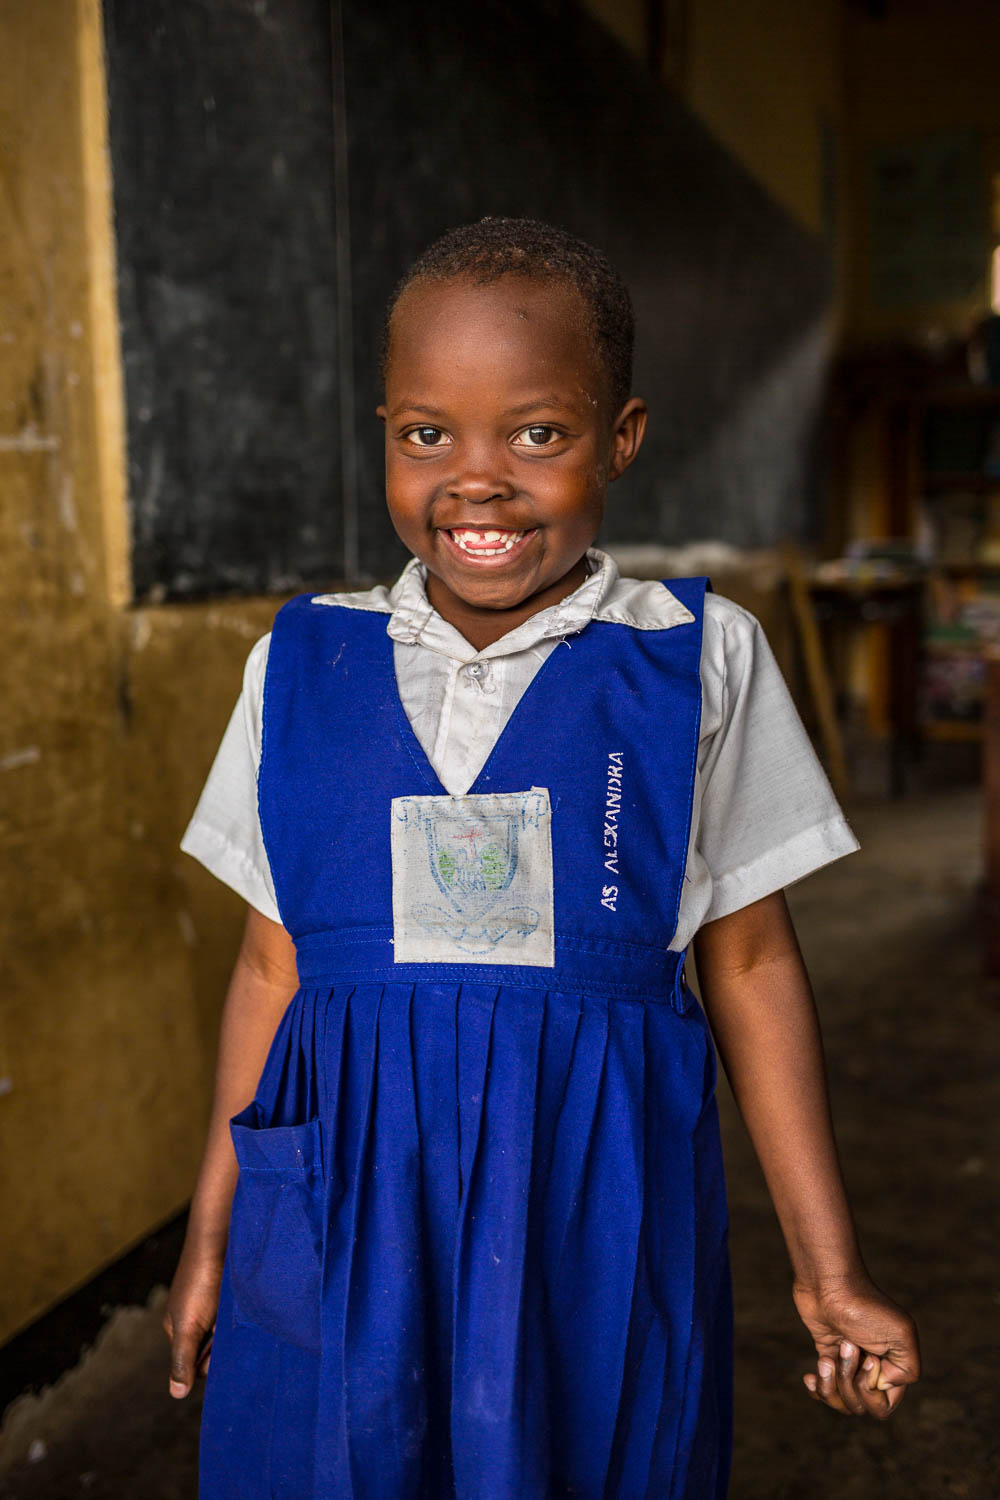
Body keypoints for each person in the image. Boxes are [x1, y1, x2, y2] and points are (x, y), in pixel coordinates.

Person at [166, 217, 920, 1499]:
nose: (478, 481)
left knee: (592, 1452)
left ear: (618, 438)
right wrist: (209, 1237)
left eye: (536, 433)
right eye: (426, 434)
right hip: (349, 1195)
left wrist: (824, 1264)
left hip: (590, 1188)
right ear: (385, 435)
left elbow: (746, 966)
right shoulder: (300, 663)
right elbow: (267, 966)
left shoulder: (693, 657)